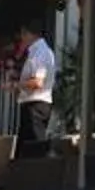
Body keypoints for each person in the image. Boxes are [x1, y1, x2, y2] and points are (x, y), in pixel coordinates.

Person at [13, 24, 59, 155]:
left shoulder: (40, 52)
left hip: (36, 105)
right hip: (33, 104)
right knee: (25, 149)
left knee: (34, 149)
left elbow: (37, 82)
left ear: (28, 34)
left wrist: (16, 85)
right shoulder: (36, 51)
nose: (22, 40)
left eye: (22, 35)